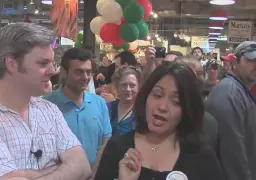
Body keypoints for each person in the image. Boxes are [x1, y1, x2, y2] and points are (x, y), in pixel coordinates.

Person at [0, 23, 91, 180]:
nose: (53, 71)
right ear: (11, 64)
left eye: (52, 62)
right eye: (43, 63)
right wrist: (62, 167)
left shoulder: (49, 110)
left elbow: (83, 166)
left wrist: (26, 175)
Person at [95, 62, 225, 180]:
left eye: (176, 101)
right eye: (157, 95)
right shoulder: (118, 147)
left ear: (187, 109)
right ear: (145, 96)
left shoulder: (202, 158)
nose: (162, 107)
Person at [44, 48, 112, 176]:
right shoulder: (47, 105)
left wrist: (92, 174)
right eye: (78, 72)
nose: (85, 77)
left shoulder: (99, 103)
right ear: (64, 72)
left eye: (88, 72)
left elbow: (105, 141)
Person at [205, 41, 256, 180]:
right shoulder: (230, 95)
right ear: (235, 61)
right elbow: (233, 154)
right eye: (251, 60)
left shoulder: (239, 91)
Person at [175, 56, 219, 150]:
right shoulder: (165, 113)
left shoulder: (209, 121)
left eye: (199, 74)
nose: (196, 78)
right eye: (189, 74)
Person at [107, 66, 142, 136]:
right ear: (117, 86)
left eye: (132, 85)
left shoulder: (142, 113)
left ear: (139, 87)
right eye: (124, 85)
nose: (128, 89)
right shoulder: (107, 108)